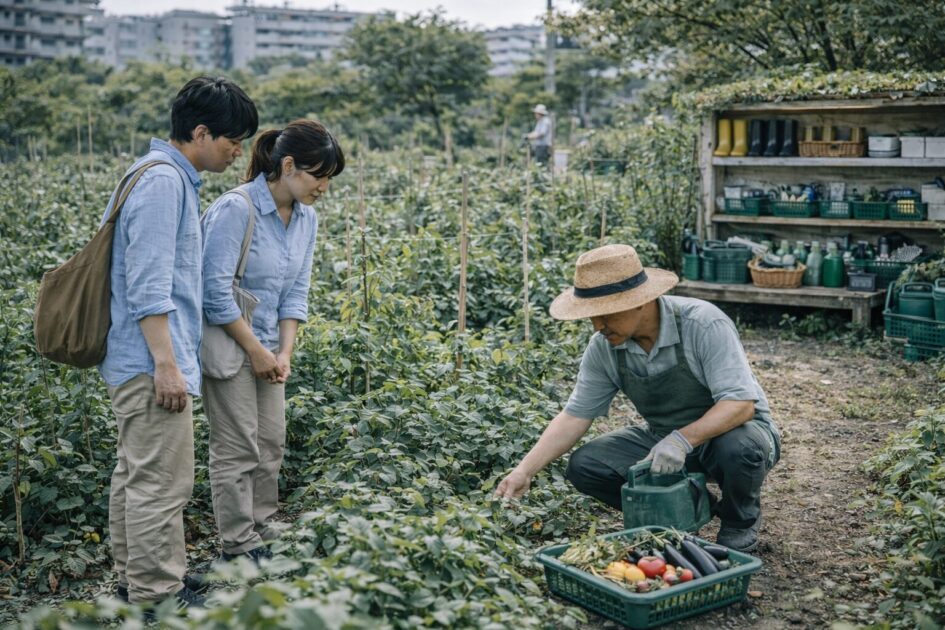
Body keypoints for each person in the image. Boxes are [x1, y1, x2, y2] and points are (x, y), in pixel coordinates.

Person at [496, 244, 781, 552]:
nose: (597, 326)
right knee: (585, 465)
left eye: (605, 314)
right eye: (591, 316)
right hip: (661, 439)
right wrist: (523, 471)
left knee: (740, 449)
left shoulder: (703, 324)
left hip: (731, 435)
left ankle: (740, 518)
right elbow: (575, 415)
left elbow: (740, 405)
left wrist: (680, 441)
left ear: (640, 302)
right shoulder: (603, 347)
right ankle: (691, 505)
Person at [99, 76, 258, 608]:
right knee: (161, 484)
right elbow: (149, 285)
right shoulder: (164, 182)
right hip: (150, 360)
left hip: (139, 357)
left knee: (137, 474)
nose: (239, 152)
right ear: (200, 132)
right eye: (233, 140)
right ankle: (155, 594)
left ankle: (135, 578)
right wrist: (166, 364)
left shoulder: (160, 176)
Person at [200, 119, 345, 564]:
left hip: (268, 349)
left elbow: (295, 291)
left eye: (328, 179)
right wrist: (257, 351)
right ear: (287, 166)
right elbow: (213, 291)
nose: (323, 187)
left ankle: (263, 527)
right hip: (231, 345)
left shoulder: (307, 219)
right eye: (318, 176)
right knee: (237, 446)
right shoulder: (237, 209)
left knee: (271, 442)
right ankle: (238, 545)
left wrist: (284, 351)